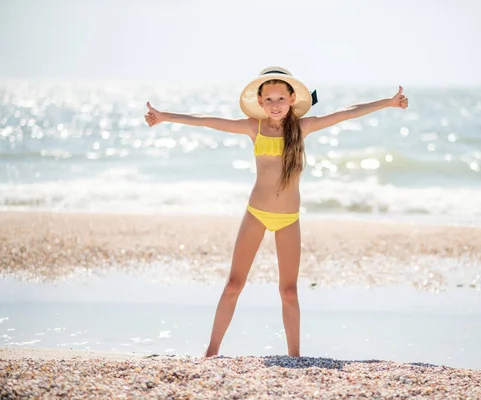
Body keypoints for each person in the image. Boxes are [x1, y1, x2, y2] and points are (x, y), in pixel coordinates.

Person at [144, 67, 409, 357]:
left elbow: (347, 113)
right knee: (234, 284)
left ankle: (294, 356)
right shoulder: (252, 128)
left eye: (280, 97)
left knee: (289, 291)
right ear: (259, 101)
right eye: (268, 98)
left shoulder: (302, 128)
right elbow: (206, 121)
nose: (274, 104)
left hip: (288, 220)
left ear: (292, 98)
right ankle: (211, 352)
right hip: (256, 214)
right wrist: (165, 116)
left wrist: (389, 102)